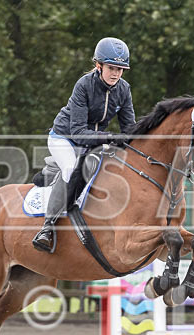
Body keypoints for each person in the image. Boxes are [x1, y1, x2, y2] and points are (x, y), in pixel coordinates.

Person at [32, 37, 137, 253]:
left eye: (120, 69)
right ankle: (47, 228)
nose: (116, 73)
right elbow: (78, 133)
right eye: (111, 68)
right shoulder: (84, 85)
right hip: (64, 138)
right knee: (71, 169)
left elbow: (129, 128)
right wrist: (110, 137)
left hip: (93, 141)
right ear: (99, 65)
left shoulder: (124, 89)